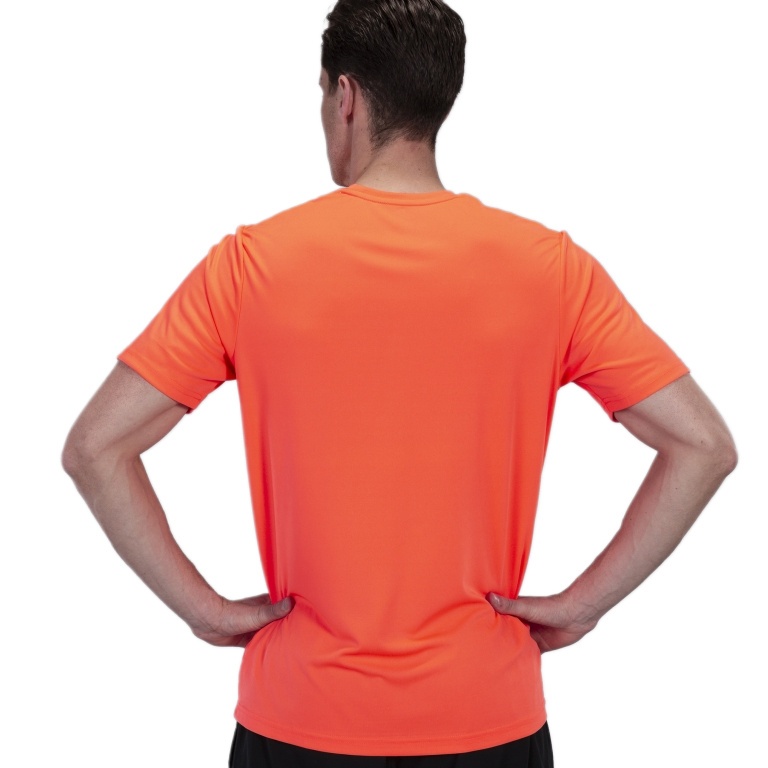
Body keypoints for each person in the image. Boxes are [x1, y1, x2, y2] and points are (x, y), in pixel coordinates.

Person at [61, 1, 737, 766]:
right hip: (487, 711)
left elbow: (96, 448)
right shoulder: (551, 270)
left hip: (300, 712)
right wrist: (584, 605)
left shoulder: (250, 266)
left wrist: (205, 610)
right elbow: (702, 446)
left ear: (345, 96)